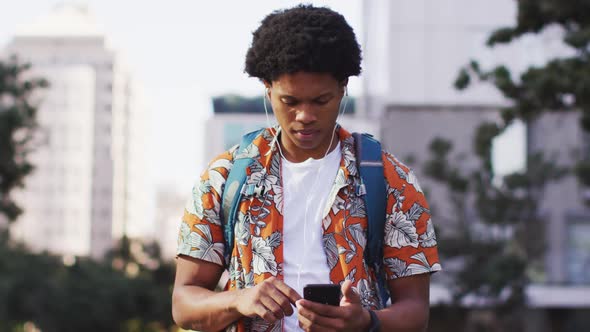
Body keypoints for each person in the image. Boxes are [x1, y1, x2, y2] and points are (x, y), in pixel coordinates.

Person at [172, 4, 441, 332]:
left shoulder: (390, 180)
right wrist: (237, 299)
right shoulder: (225, 176)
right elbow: (184, 303)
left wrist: (366, 322)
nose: (305, 116)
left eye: (320, 101)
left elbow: (416, 310)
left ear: (343, 87)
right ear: (267, 89)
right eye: (290, 102)